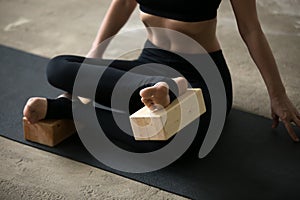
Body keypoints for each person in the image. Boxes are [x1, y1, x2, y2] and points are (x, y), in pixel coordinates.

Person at [23, 0, 300, 153]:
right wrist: (92, 62)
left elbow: (251, 30)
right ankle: (160, 90)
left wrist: (277, 95)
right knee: (58, 68)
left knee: (163, 139)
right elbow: (121, 4)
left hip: (201, 81)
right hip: (146, 71)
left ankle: (69, 111)